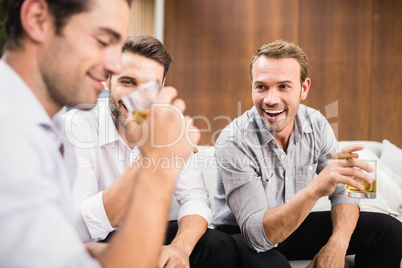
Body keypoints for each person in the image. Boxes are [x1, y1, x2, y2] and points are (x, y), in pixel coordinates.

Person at [0, 0, 200, 267]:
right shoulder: (12, 133)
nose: (114, 67)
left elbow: (60, 245)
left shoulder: (44, 127)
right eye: (102, 40)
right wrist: (156, 162)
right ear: (37, 20)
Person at [213, 40, 402, 267]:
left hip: (294, 224)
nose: (271, 99)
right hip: (244, 233)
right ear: (252, 86)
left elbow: (345, 192)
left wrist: (338, 243)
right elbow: (257, 237)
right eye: (262, 87)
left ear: (304, 88)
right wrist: (316, 187)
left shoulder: (317, 124)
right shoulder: (234, 140)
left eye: (284, 86)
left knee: (389, 230)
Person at [63, 34, 238, 268]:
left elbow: (194, 198)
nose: (138, 97)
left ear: (163, 87)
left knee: (219, 245)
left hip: (150, 229)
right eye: (128, 82)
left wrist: (180, 248)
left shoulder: (170, 122)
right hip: (98, 239)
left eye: (149, 87)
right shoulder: (76, 125)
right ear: (108, 79)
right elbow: (79, 227)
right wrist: (152, 154)